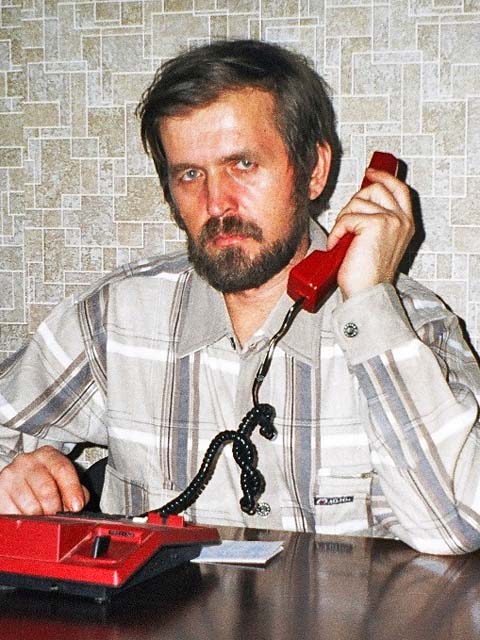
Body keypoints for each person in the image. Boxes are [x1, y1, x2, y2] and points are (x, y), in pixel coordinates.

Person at [0, 40, 479, 555]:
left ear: (314, 171)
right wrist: (15, 478)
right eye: (190, 174)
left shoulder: (410, 328)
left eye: (243, 164)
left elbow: (460, 528)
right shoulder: (116, 317)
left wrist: (368, 304)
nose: (216, 203)